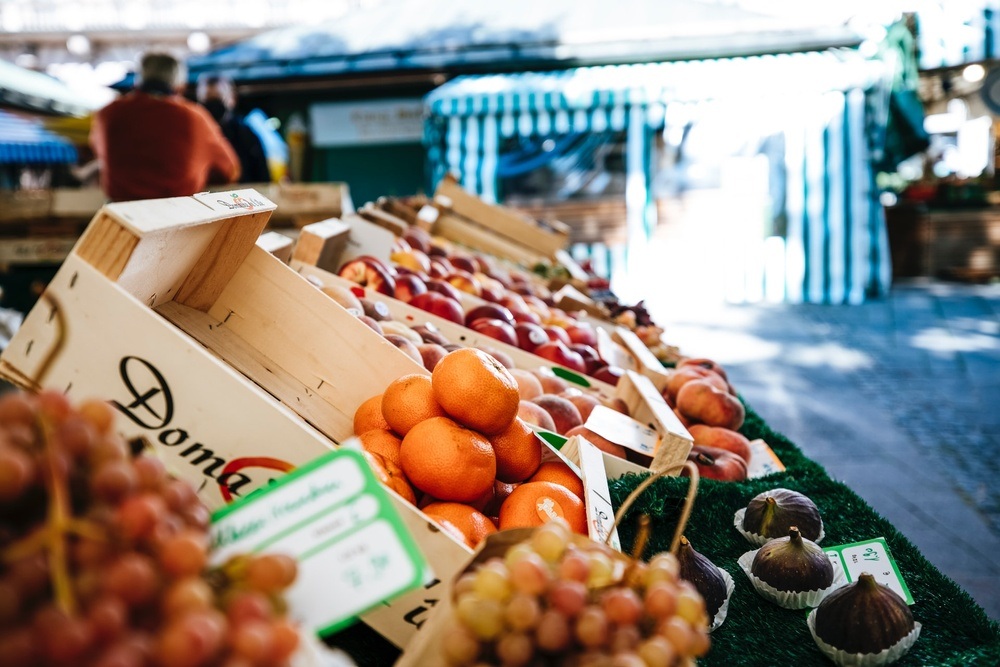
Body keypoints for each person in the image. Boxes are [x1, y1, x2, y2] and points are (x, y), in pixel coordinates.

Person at [90, 52, 240, 201]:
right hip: (178, 217)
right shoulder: (194, 118)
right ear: (180, 86)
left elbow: (98, 151)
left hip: (122, 217)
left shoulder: (108, 114)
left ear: (137, 82)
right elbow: (229, 170)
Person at [197, 74, 271, 184]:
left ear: (232, 99)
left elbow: (262, 178)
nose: (213, 105)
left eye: (218, 98)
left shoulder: (246, 135)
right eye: (208, 99)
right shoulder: (195, 134)